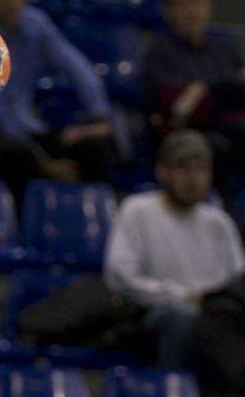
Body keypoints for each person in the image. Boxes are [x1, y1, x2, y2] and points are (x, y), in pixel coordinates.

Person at [104, 130, 245, 368]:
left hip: (215, 315)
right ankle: (174, 393)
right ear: (162, 172)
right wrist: (182, 297)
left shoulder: (219, 221)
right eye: (183, 168)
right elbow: (120, 276)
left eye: (200, 169)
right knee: (180, 315)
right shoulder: (137, 210)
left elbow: (237, 277)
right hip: (154, 313)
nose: (193, 178)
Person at [0, 0, 115, 199]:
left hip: (28, 127)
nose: (11, 4)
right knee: (15, 155)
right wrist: (45, 163)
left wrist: (99, 116)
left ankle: (100, 217)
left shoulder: (36, 23)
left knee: (94, 147)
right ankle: (23, 225)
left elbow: (77, 67)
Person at [144, 0, 245, 198]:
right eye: (183, 5)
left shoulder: (225, 44)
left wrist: (205, 88)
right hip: (189, 133)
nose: (192, 11)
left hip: (232, 128)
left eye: (198, 4)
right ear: (168, 11)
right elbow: (181, 108)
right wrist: (226, 86)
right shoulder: (160, 52)